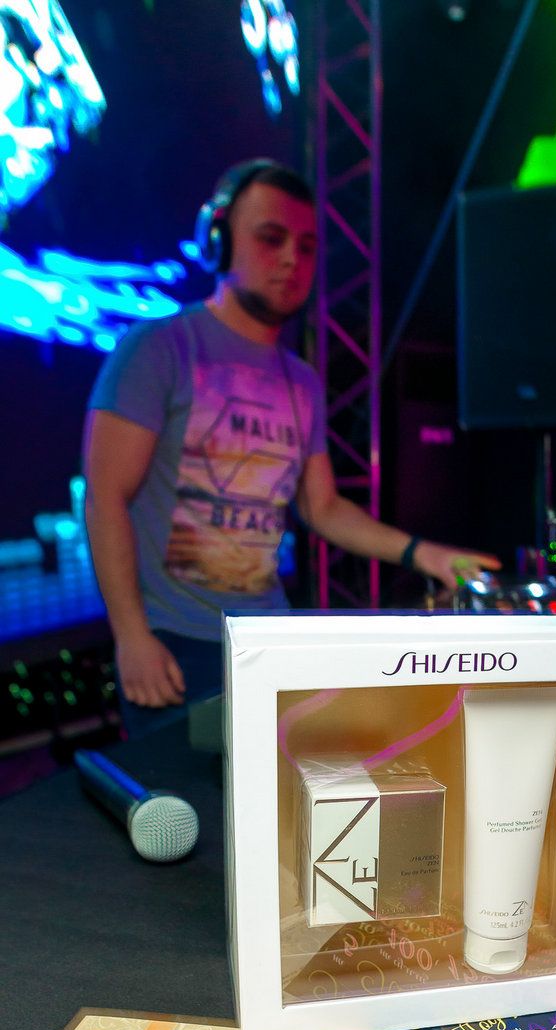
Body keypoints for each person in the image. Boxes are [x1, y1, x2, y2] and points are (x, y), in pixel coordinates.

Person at [83, 160, 499, 733]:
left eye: (305, 247)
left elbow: (322, 507)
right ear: (219, 241)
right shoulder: (158, 348)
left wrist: (423, 554)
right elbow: (105, 497)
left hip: (268, 643)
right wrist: (132, 636)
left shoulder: (301, 380)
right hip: (176, 645)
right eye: (271, 238)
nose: (290, 260)